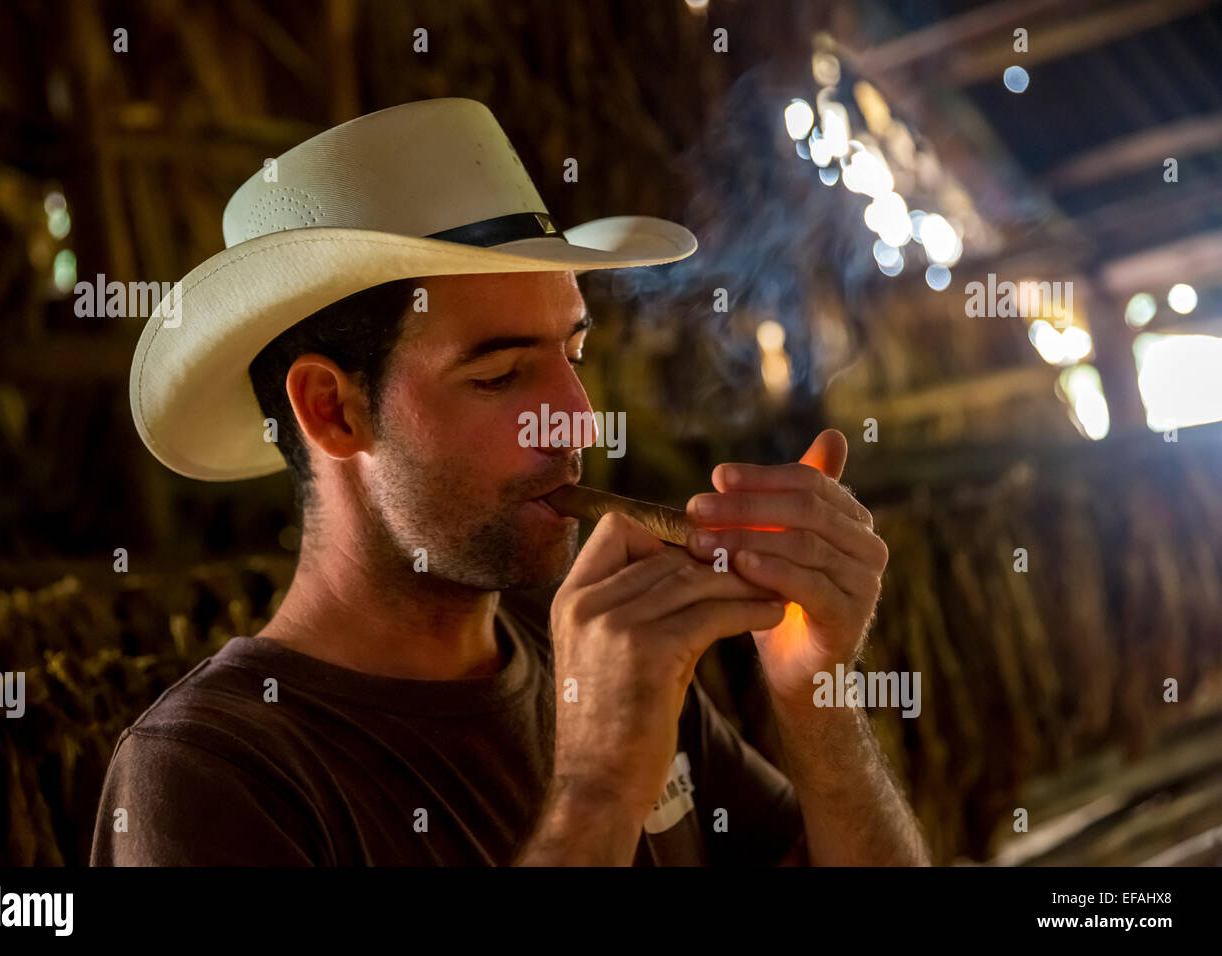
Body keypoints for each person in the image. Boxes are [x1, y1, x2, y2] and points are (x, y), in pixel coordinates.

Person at [93, 98, 928, 866]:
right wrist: (599, 790)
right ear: (332, 410)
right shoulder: (211, 775)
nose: (576, 419)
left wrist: (813, 693)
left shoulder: (586, 646)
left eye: (572, 354)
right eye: (499, 375)